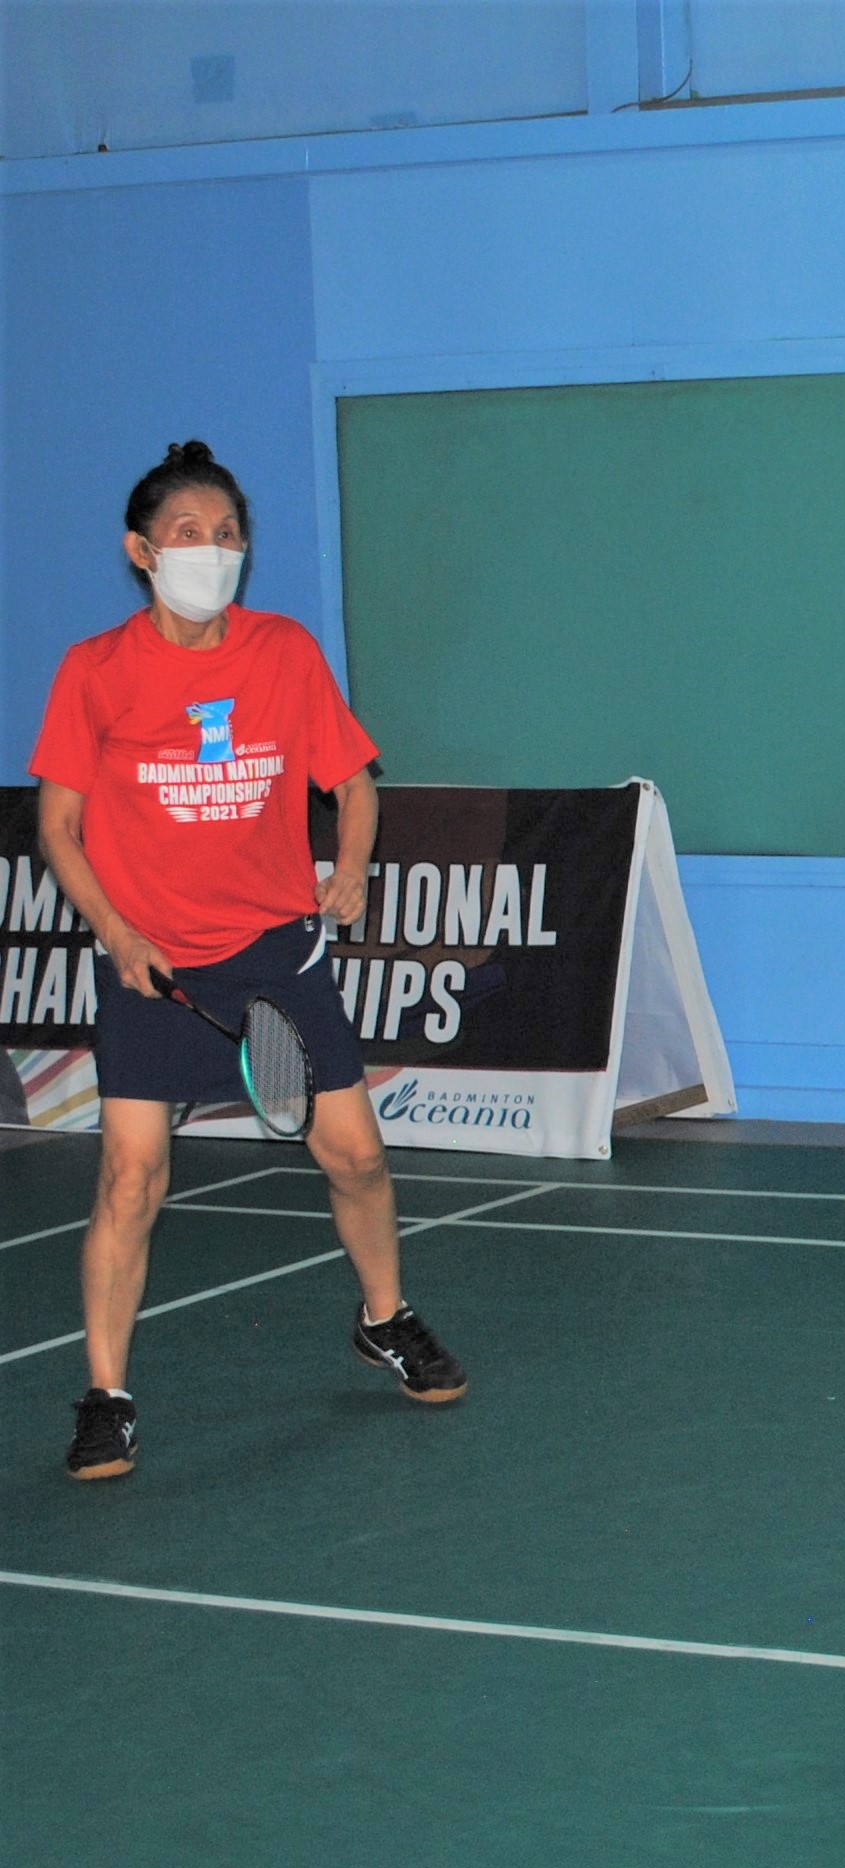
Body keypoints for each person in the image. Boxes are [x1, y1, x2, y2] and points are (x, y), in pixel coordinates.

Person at [30, 440, 467, 1481]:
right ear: (140, 551)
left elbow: (356, 780)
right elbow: (58, 825)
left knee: (355, 1157)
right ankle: (106, 1397)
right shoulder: (95, 671)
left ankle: (384, 1315)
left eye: (228, 535)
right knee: (130, 1178)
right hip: (151, 960)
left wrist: (352, 867)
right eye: (188, 535)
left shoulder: (282, 654)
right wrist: (116, 935)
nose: (211, 551)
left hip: (276, 949)